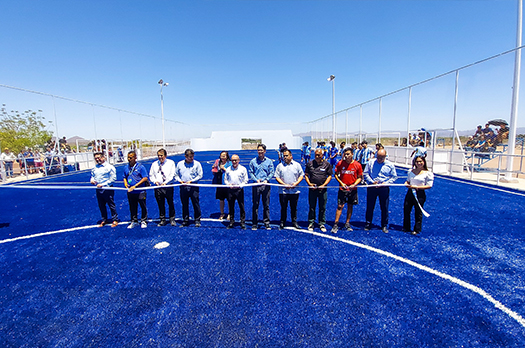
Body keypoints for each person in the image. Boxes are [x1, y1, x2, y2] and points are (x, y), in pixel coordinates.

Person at [363, 148, 397, 233]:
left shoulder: (390, 165)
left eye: (382, 157)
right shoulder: (371, 162)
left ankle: (384, 225)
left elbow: (394, 177)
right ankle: (368, 223)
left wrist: (385, 183)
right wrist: (372, 182)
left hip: (383, 188)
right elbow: (366, 173)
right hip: (372, 187)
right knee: (370, 206)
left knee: (384, 207)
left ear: (385, 156)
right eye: (378, 157)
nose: (379, 159)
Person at [331, 148, 362, 233]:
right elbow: (336, 175)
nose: (346, 156)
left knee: (350, 205)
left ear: (352, 154)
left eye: (348, 154)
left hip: (352, 189)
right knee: (340, 206)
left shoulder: (357, 165)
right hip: (342, 189)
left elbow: (359, 177)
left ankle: (347, 223)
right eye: (345, 154)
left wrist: (354, 184)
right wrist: (341, 183)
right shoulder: (340, 163)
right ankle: (336, 224)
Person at [403, 156, 434, 235]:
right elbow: (408, 181)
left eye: (421, 161)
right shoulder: (410, 171)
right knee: (406, 210)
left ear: (424, 162)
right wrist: (406, 183)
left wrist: (417, 187)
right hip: (410, 193)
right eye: (417, 161)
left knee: (418, 212)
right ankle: (406, 227)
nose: (419, 163)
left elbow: (429, 185)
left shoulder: (428, 173)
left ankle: (417, 229)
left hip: (420, 194)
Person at [274, 149, 304, 230]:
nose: (285, 157)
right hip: (283, 191)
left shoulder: (297, 165)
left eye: (286, 155)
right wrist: (284, 184)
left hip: (294, 191)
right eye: (284, 156)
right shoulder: (279, 166)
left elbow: (301, 175)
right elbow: (277, 177)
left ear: (291, 156)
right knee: (283, 207)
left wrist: (296, 183)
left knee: (294, 207)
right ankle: (282, 222)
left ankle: (294, 221)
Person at [304, 148, 333, 232]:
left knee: (322, 207)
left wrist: (324, 185)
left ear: (322, 155)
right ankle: (311, 222)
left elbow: (330, 176)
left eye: (318, 155)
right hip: (312, 189)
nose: (317, 157)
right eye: (315, 155)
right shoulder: (310, 164)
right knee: (312, 207)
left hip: (322, 190)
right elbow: (306, 175)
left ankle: (321, 223)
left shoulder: (327, 164)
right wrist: (310, 184)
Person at [248, 144, 275, 230]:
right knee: (255, 204)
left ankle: (266, 222)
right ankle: (255, 223)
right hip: (256, 185)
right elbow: (251, 172)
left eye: (261, 150)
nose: (260, 152)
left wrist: (266, 179)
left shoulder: (269, 161)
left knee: (266, 205)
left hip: (266, 185)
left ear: (265, 151)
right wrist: (256, 180)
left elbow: (271, 172)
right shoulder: (253, 161)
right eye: (258, 150)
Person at [175, 148, 203, 227]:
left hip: (193, 187)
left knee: (196, 203)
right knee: (184, 204)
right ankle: (185, 220)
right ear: (185, 156)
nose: (192, 158)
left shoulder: (197, 164)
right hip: (183, 187)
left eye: (192, 156)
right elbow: (176, 174)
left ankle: (197, 220)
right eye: (190, 157)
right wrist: (180, 181)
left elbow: (200, 175)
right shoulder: (180, 164)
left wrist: (192, 181)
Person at [90, 152, 119, 227]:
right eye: (95, 158)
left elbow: (113, 178)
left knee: (111, 204)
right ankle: (104, 220)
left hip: (107, 189)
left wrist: (104, 184)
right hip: (98, 189)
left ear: (103, 157)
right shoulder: (94, 168)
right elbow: (93, 176)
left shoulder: (109, 167)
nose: (97, 159)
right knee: (101, 205)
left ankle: (115, 219)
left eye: (98, 157)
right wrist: (92, 180)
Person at [149, 149, 177, 226]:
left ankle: (172, 219)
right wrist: (155, 181)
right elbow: (151, 175)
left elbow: (172, 175)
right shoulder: (154, 164)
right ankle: (162, 219)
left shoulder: (171, 163)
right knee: (160, 204)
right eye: (158, 155)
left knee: (170, 203)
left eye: (161, 155)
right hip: (158, 187)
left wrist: (165, 182)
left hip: (168, 186)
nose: (160, 157)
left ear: (165, 155)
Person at [123, 151, 149, 229]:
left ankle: (143, 220)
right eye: (128, 157)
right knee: (132, 207)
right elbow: (124, 177)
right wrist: (125, 183)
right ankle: (134, 221)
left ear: (135, 158)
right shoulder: (126, 167)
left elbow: (145, 178)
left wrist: (135, 186)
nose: (129, 159)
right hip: (131, 191)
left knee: (143, 206)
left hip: (140, 191)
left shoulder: (141, 167)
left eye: (131, 158)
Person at [224, 154, 249, 229]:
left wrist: (240, 185)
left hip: (239, 190)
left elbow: (246, 180)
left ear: (238, 160)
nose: (234, 162)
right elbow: (225, 179)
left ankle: (242, 222)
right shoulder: (228, 169)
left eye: (235, 160)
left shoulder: (243, 169)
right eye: (232, 160)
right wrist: (228, 184)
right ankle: (231, 222)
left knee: (241, 206)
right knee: (231, 206)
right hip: (230, 190)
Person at [212, 151, 232, 220]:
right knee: (221, 199)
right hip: (220, 183)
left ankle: (230, 213)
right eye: (221, 155)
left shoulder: (230, 163)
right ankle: (222, 213)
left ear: (227, 156)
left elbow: (232, 172)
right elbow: (214, 171)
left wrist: (224, 168)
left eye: (224, 155)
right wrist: (214, 169)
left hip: (228, 183)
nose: (223, 157)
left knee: (229, 200)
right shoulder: (217, 162)